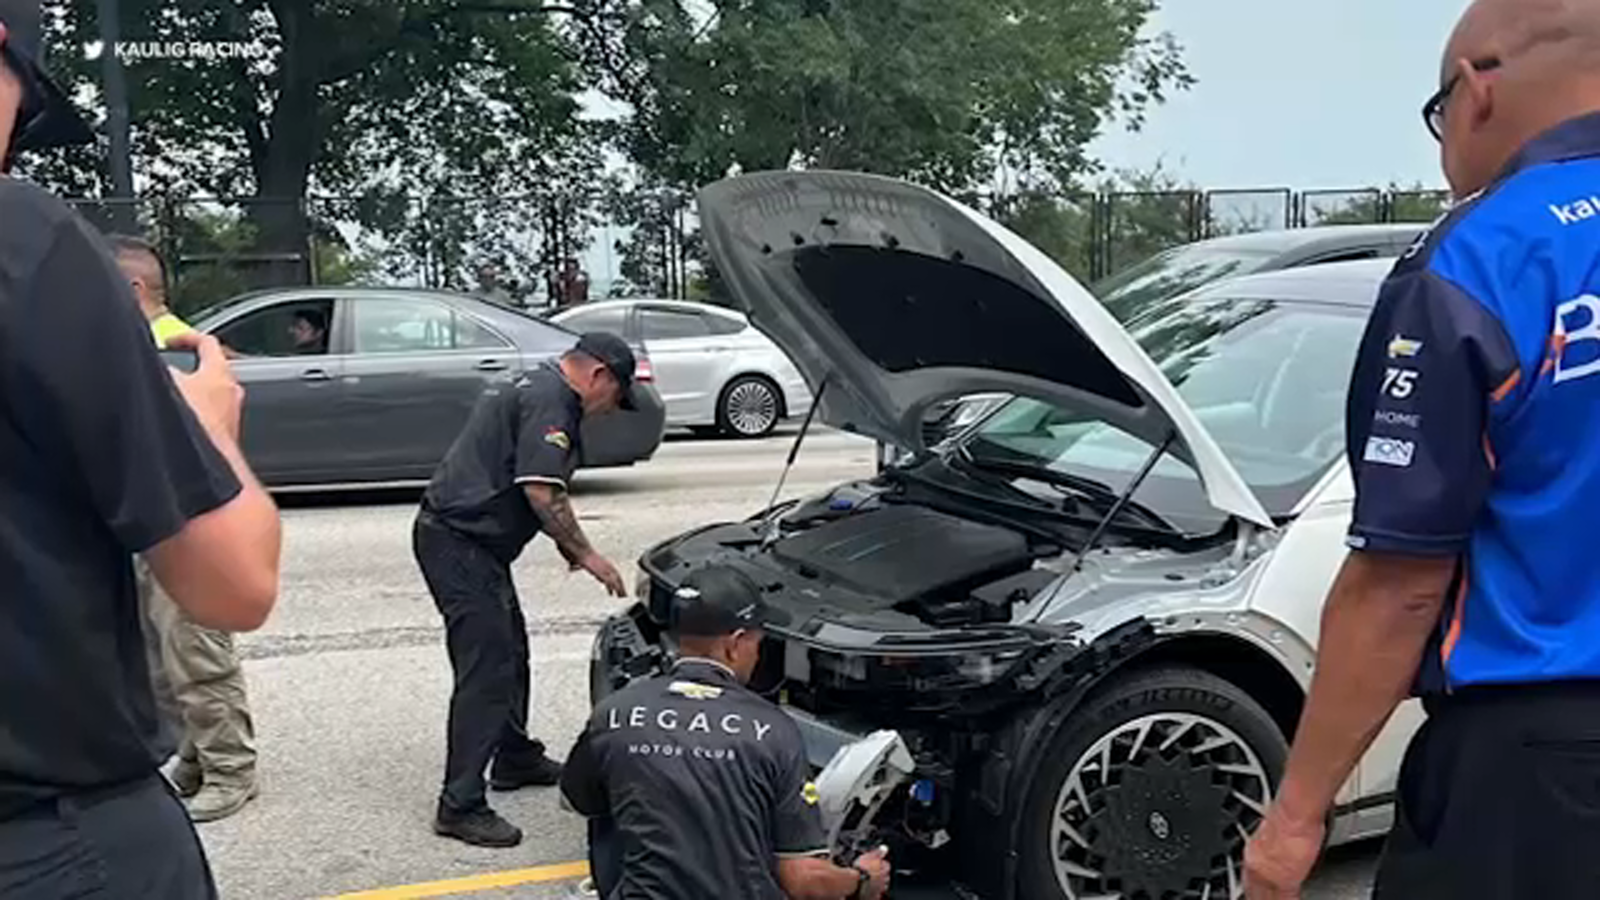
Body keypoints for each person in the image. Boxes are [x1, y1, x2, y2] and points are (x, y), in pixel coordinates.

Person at [1245, 1, 1600, 897]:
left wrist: (1294, 821)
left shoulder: (1484, 260)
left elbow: (1400, 586)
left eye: (1439, 115)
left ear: (1477, 87)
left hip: (1538, 781)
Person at [0, 2, 282, 897]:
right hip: (47, 836)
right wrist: (209, 428)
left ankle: (223, 766)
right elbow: (233, 582)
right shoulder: (28, 244)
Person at [414, 332, 636, 847]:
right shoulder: (552, 398)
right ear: (599, 374)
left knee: (512, 650)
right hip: (459, 542)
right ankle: (459, 804)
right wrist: (586, 553)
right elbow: (540, 488)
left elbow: (519, 475)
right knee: (487, 669)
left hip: (471, 542)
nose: (609, 411)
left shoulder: (533, 380)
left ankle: (514, 756)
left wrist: (560, 541)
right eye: (617, 398)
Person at [558, 565, 893, 900]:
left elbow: (579, 800)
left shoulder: (615, 712)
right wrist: (862, 878)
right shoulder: (773, 730)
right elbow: (803, 881)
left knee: (611, 797)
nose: (758, 655)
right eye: (757, 644)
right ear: (734, 644)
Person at [111, 234, 263, 823]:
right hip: (154, 522)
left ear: (131, 288)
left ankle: (231, 769)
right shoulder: (139, 345)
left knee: (197, 652)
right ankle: (195, 755)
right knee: (163, 656)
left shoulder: (175, 350)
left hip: (191, 526)